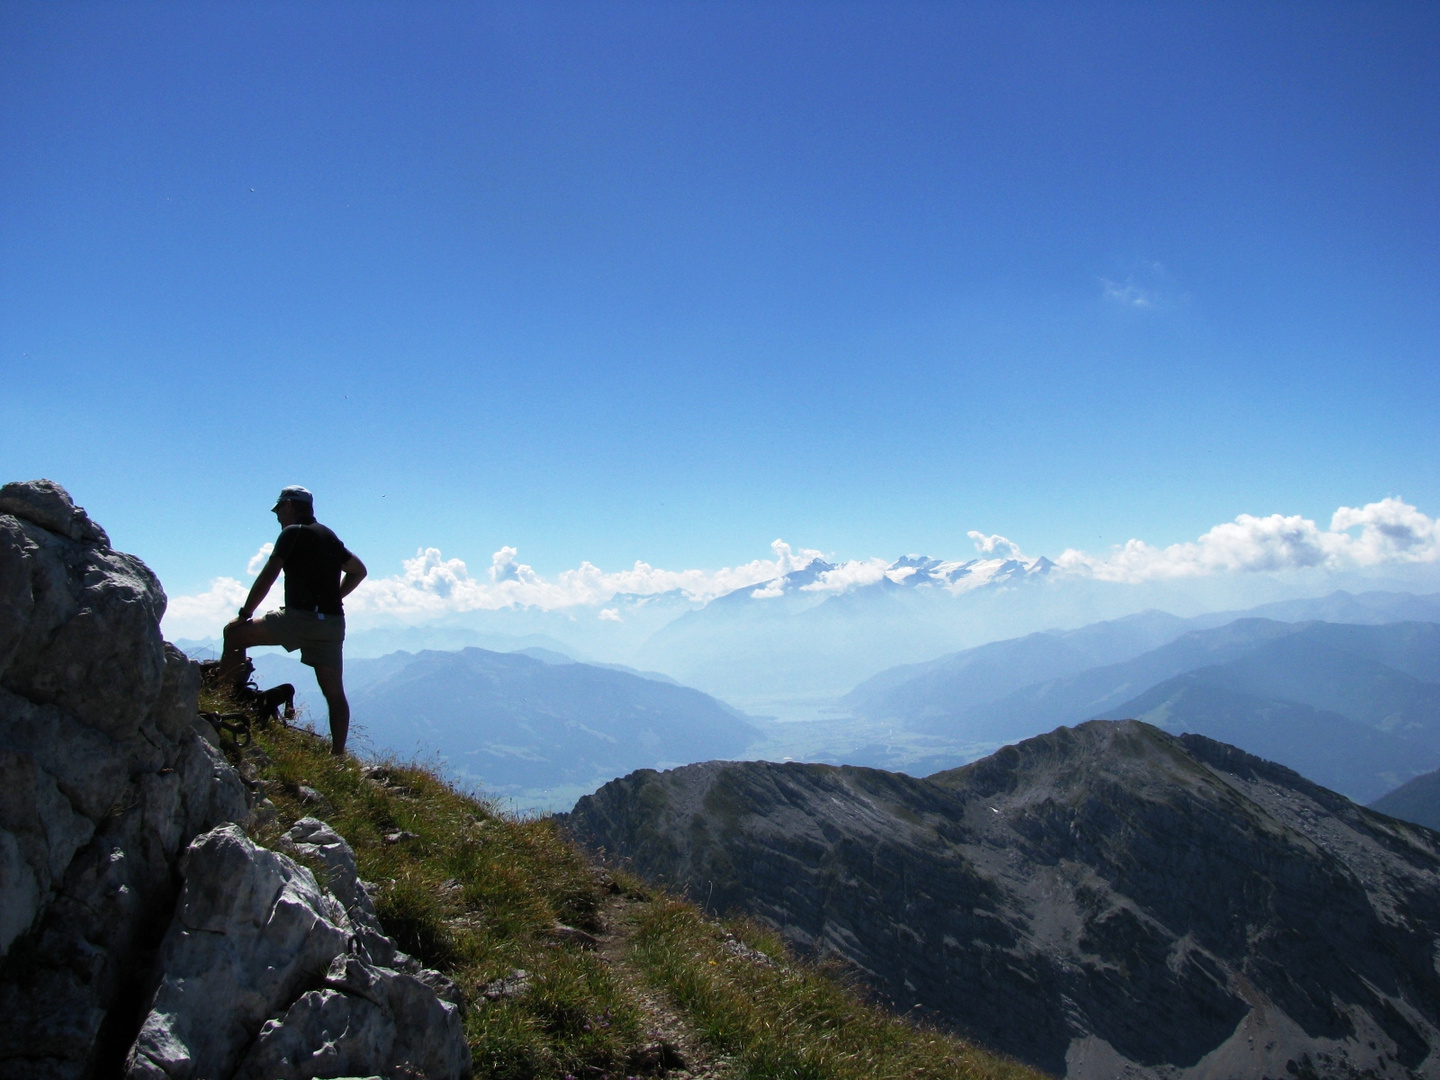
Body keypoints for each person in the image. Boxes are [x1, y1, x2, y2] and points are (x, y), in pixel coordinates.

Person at [219, 486, 367, 755]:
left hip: (298, 618)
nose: (277, 516)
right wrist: (336, 596)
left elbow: (268, 575)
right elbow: (358, 570)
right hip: (332, 624)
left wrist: (244, 614)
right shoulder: (329, 536)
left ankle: (227, 707)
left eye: (278, 509)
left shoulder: (292, 532)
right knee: (335, 693)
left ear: (289, 505)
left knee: (234, 636)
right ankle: (338, 755)